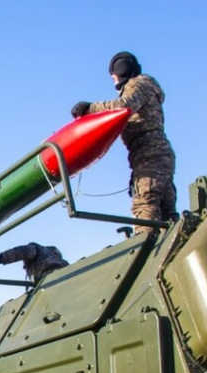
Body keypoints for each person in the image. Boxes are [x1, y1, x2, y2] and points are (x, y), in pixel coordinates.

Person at [70, 51, 176, 235]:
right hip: (156, 155)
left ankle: (146, 246)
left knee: (145, 206)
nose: (113, 78)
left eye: (113, 73)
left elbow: (125, 105)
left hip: (149, 153)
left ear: (122, 69)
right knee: (167, 214)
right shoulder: (149, 87)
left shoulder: (138, 84)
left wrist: (90, 108)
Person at [0, 242, 68, 283]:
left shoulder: (36, 248)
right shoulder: (53, 256)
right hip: (66, 273)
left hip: (48, 275)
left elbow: (21, 252)